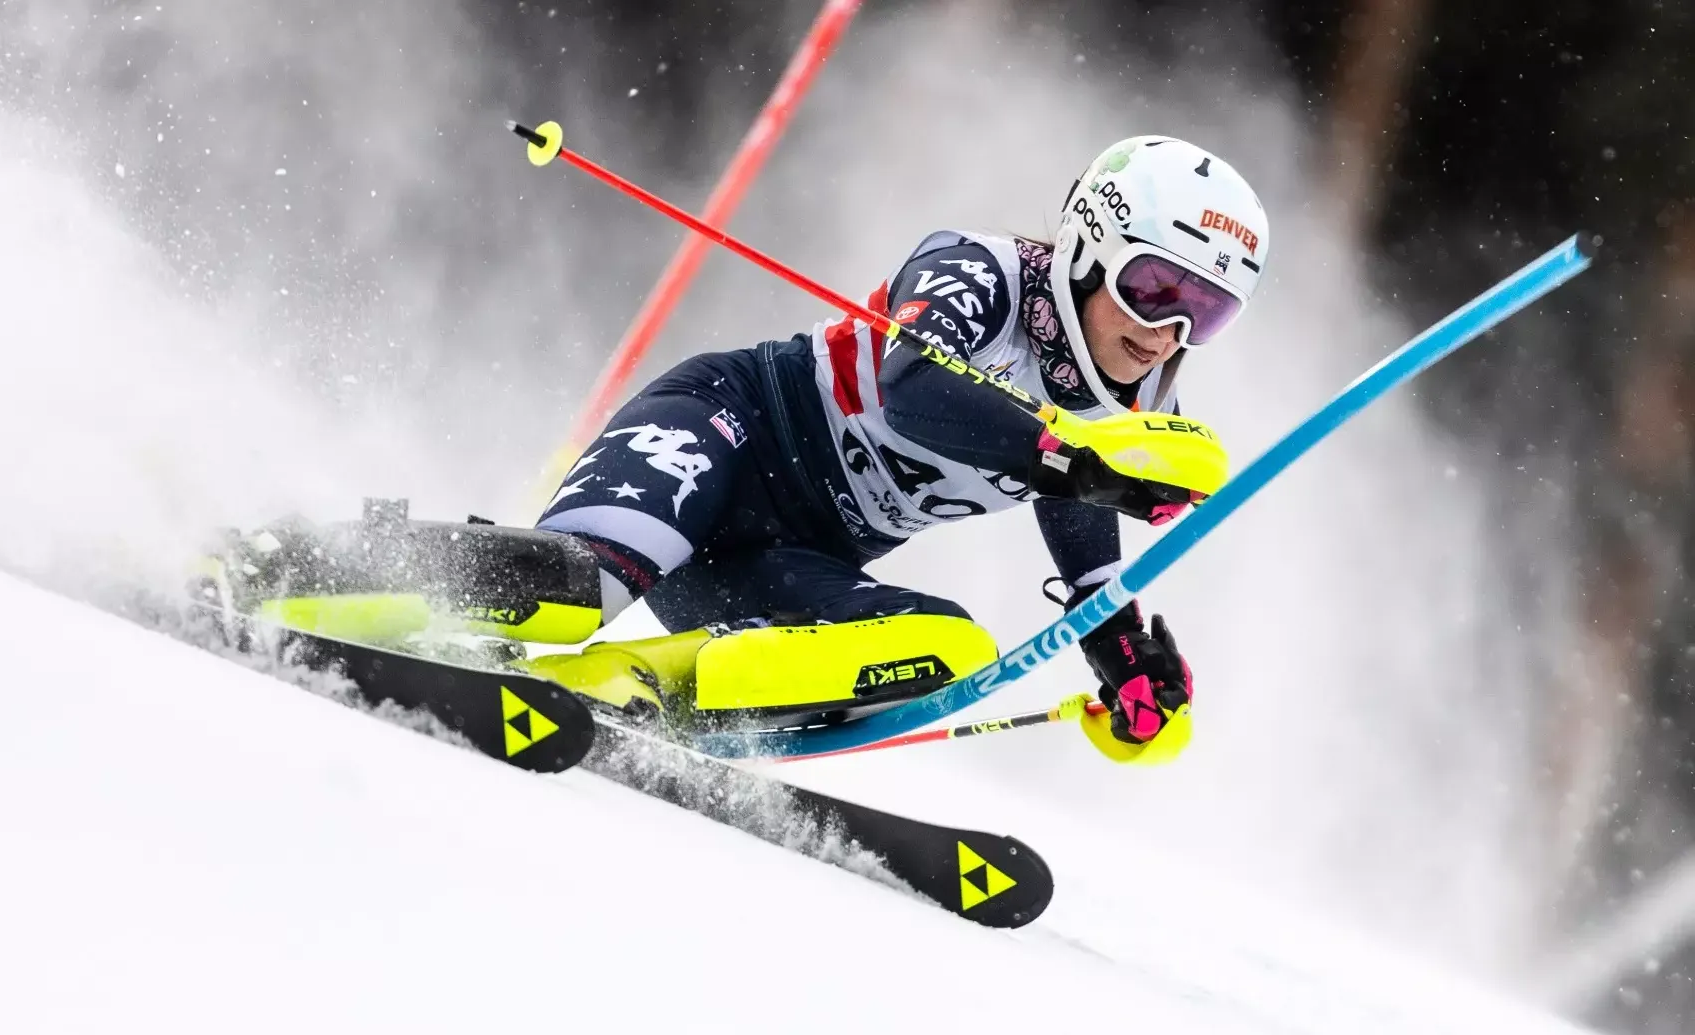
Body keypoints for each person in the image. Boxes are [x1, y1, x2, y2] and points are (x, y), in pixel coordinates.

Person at [211, 135, 1268, 759]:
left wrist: (1117, 643)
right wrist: (1076, 458)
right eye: (1153, 287)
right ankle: (282, 561)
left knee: (947, 653)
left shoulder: (1116, 399)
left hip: (792, 557)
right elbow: (912, 393)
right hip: (727, 430)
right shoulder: (980, 270)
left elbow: (1077, 512)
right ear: (1089, 243)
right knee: (573, 587)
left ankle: (623, 690)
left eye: (1204, 316)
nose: (1165, 331)